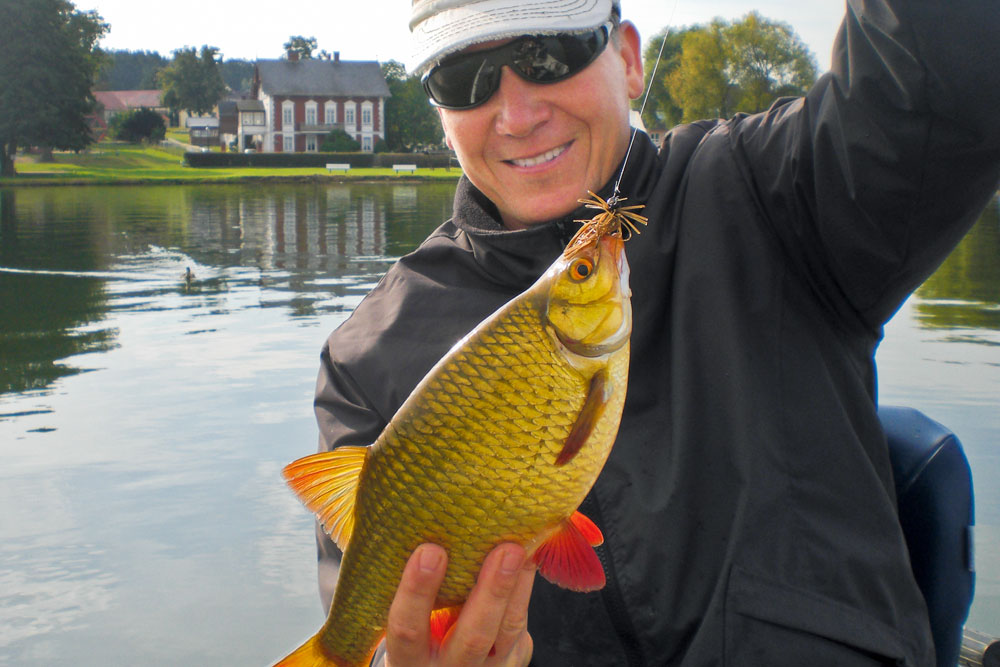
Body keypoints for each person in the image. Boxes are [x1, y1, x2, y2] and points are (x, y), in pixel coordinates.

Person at [312, 0, 1000, 664]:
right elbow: (369, 623)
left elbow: (944, 81)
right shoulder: (365, 359)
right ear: (440, 113)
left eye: (549, 54)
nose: (517, 116)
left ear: (629, 58)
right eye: (463, 79)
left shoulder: (775, 191)